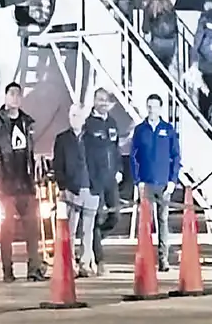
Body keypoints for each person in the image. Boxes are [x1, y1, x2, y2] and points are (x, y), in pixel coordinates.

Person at [0, 82, 48, 282]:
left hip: (25, 184)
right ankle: (7, 271)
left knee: (32, 229)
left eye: (17, 94)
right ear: (5, 98)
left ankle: (33, 269)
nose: (14, 98)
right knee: (7, 231)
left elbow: (30, 152)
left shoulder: (26, 122)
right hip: (6, 186)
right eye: (11, 94)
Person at [130, 94, 181, 272]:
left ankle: (163, 259)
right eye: (149, 106)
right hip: (146, 183)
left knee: (163, 221)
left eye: (155, 107)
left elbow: (176, 156)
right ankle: (145, 258)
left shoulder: (168, 130)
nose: (152, 110)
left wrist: (173, 181)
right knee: (145, 223)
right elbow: (134, 157)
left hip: (164, 183)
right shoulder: (140, 130)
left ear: (160, 108)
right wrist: (138, 181)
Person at [53, 103, 99, 277]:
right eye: (72, 115)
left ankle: (86, 263)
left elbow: (100, 163)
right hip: (72, 190)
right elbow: (58, 166)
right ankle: (69, 264)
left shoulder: (93, 140)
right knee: (70, 230)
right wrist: (63, 186)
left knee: (88, 231)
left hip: (91, 189)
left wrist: (98, 185)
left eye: (78, 116)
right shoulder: (62, 139)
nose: (75, 119)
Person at [83, 88, 123, 275]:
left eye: (106, 100)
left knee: (115, 217)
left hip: (111, 179)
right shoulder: (88, 125)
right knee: (97, 218)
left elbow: (116, 150)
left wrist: (119, 170)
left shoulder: (113, 123)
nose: (103, 103)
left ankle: (92, 239)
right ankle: (100, 261)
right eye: (99, 100)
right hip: (95, 179)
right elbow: (85, 153)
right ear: (94, 101)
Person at [142, 0, 180, 75]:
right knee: (165, 69)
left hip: (157, 41)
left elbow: (145, 29)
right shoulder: (169, 6)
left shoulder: (149, 8)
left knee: (155, 70)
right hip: (171, 42)